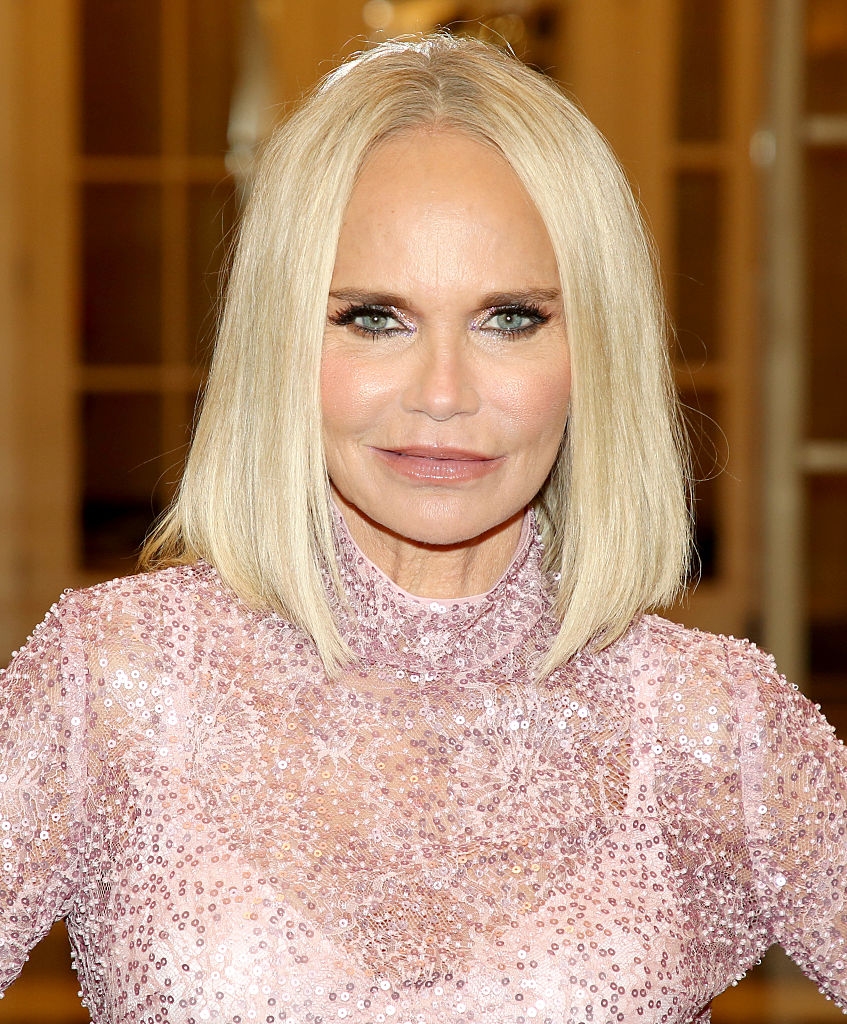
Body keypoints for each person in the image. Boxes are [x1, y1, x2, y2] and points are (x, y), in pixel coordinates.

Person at [1, 32, 845, 1024]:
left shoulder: (715, 724)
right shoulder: (112, 682)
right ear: (280, 341)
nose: (442, 393)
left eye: (511, 318)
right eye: (372, 317)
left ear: (593, 352)